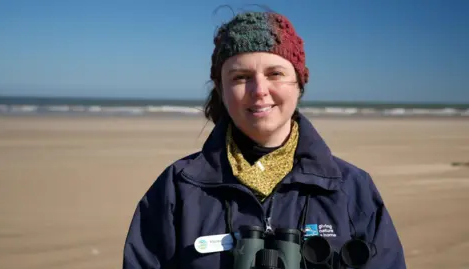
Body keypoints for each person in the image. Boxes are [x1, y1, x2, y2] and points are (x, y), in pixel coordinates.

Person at [122, 10, 407, 269]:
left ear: (299, 84)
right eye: (241, 77)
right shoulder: (178, 188)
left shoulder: (351, 189)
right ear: (221, 89)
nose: (259, 90)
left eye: (275, 74)